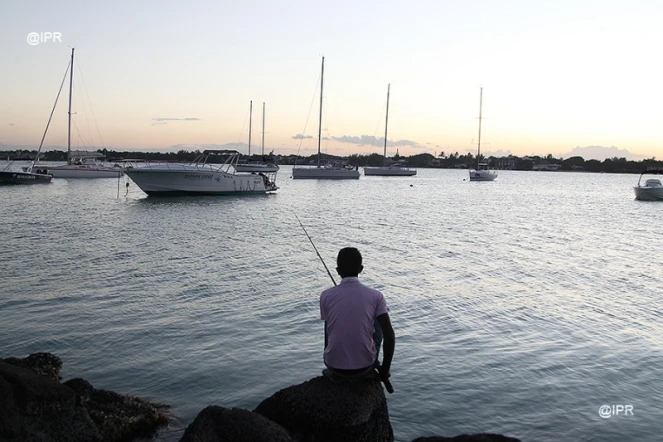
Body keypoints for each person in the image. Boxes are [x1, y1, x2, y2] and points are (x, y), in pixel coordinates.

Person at [320, 247, 395, 382]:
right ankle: (371, 362)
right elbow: (389, 336)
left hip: (333, 367)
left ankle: (333, 358)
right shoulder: (376, 296)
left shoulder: (326, 296)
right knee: (379, 318)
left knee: (330, 319)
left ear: (337, 271)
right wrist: (385, 369)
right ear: (361, 269)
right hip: (365, 367)